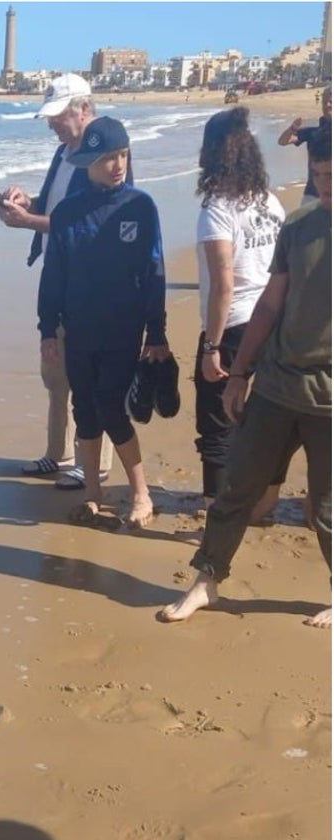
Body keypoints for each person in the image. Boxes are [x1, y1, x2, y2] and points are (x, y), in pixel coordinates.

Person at [161, 128, 331, 628]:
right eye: (318, 177)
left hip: (329, 401)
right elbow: (269, 303)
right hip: (278, 386)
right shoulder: (299, 225)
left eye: (332, 176)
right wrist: (239, 373)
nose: (326, 188)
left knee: (325, 508)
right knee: (238, 486)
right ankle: (205, 582)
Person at [36, 116, 168, 528]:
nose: (118, 164)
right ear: (88, 162)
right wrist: (47, 328)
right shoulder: (68, 213)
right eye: (109, 157)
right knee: (85, 410)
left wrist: (157, 332)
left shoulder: (140, 206)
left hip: (123, 329)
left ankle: (142, 494)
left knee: (112, 407)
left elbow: (154, 271)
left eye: (123, 155)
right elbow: (53, 273)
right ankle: (93, 494)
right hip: (78, 328)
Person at [0, 74, 124, 491]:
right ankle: (59, 452)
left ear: (84, 110)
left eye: (57, 116)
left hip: (92, 283)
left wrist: (29, 222)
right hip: (59, 275)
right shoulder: (63, 153)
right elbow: (54, 207)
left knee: (90, 376)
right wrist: (24, 203)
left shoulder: (107, 154)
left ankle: (96, 464)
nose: (51, 124)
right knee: (55, 372)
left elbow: (93, 222)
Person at [193, 107, 289, 517]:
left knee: (217, 422)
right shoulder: (270, 202)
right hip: (275, 320)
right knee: (267, 420)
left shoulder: (218, 208)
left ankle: (217, 509)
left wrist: (211, 346)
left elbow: (223, 284)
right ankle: (263, 505)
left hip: (234, 326)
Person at [277, 85, 331, 205]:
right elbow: (282, 141)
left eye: (331, 102)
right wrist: (292, 128)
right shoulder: (313, 132)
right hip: (312, 195)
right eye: (325, 102)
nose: (327, 105)